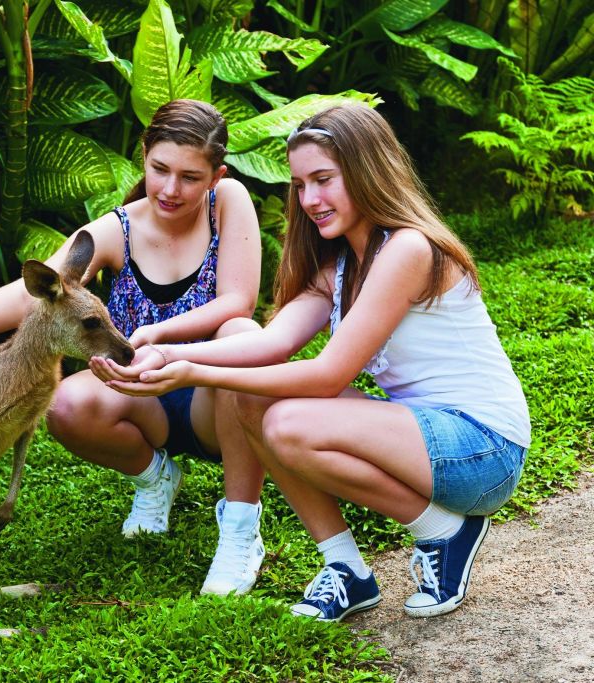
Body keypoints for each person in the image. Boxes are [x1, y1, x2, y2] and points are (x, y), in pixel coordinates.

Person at [92, 104, 530, 620]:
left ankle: (444, 532)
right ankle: (346, 569)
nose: (311, 200)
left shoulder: (408, 249)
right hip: (423, 439)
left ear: (367, 171)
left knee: (288, 420)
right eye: (300, 185)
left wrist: (192, 373)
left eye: (324, 180)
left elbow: (328, 375)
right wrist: (167, 351)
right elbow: (269, 345)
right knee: (257, 397)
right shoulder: (340, 266)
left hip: (483, 449)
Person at [0, 99, 269, 595]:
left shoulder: (229, 200)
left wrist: (162, 337)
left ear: (217, 175)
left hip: (213, 398)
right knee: (64, 402)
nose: (172, 189)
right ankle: (155, 478)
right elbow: (37, 293)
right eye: (160, 170)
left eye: (191, 178)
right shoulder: (118, 229)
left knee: (245, 336)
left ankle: (239, 530)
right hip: (140, 395)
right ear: (143, 155)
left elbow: (239, 298)